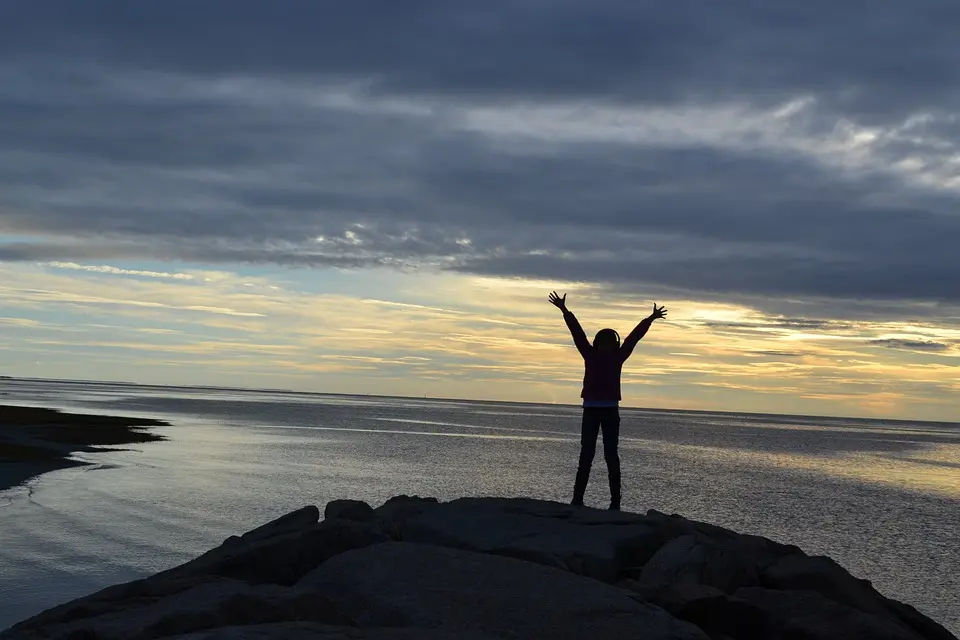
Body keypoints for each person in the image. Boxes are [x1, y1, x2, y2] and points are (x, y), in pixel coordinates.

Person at [548, 291, 667, 510]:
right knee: (587, 455)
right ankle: (577, 500)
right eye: (603, 341)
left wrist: (649, 319)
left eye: (609, 342)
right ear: (597, 343)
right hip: (591, 410)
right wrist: (565, 310)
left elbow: (633, 338)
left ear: (614, 344)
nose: (606, 345)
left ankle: (615, 504)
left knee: (611, 456)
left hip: (610, 410)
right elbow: (577, 333)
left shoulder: (618, 357)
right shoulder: (589, 354)